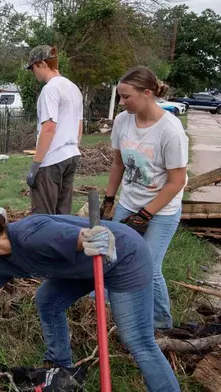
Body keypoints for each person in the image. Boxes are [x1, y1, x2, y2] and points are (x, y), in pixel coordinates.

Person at [0, 196, 180, 392]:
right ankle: (61, 367)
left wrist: (98, 238)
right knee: (47, 300)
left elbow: (83, 237)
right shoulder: (0, 263)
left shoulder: (31, 234)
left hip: (124, 257)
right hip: (86, 268)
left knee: (137, 340)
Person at [99, 66, 188, 330]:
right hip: (129, 201)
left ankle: (161, 322)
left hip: (162, 208)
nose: (122, 102)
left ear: (147, 93)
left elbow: (177, 182)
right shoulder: (123, 121)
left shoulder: (170, 131)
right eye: (120, 96)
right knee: (114, 256)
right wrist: (109, 199)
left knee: (148, 264)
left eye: (127, 97)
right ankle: (112, 308)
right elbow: (118, 164)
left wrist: (146, 214)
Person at [25, 45, 83, 215]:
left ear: (42, 64)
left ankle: (44, 242)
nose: (33, 72)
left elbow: (49, 128)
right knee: (62, 213)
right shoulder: (73, 88)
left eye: (33, 67)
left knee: (43, 217)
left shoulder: (50, 89)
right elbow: (79, 126)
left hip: (52, 160)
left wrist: (36, 165)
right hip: (71, 155)